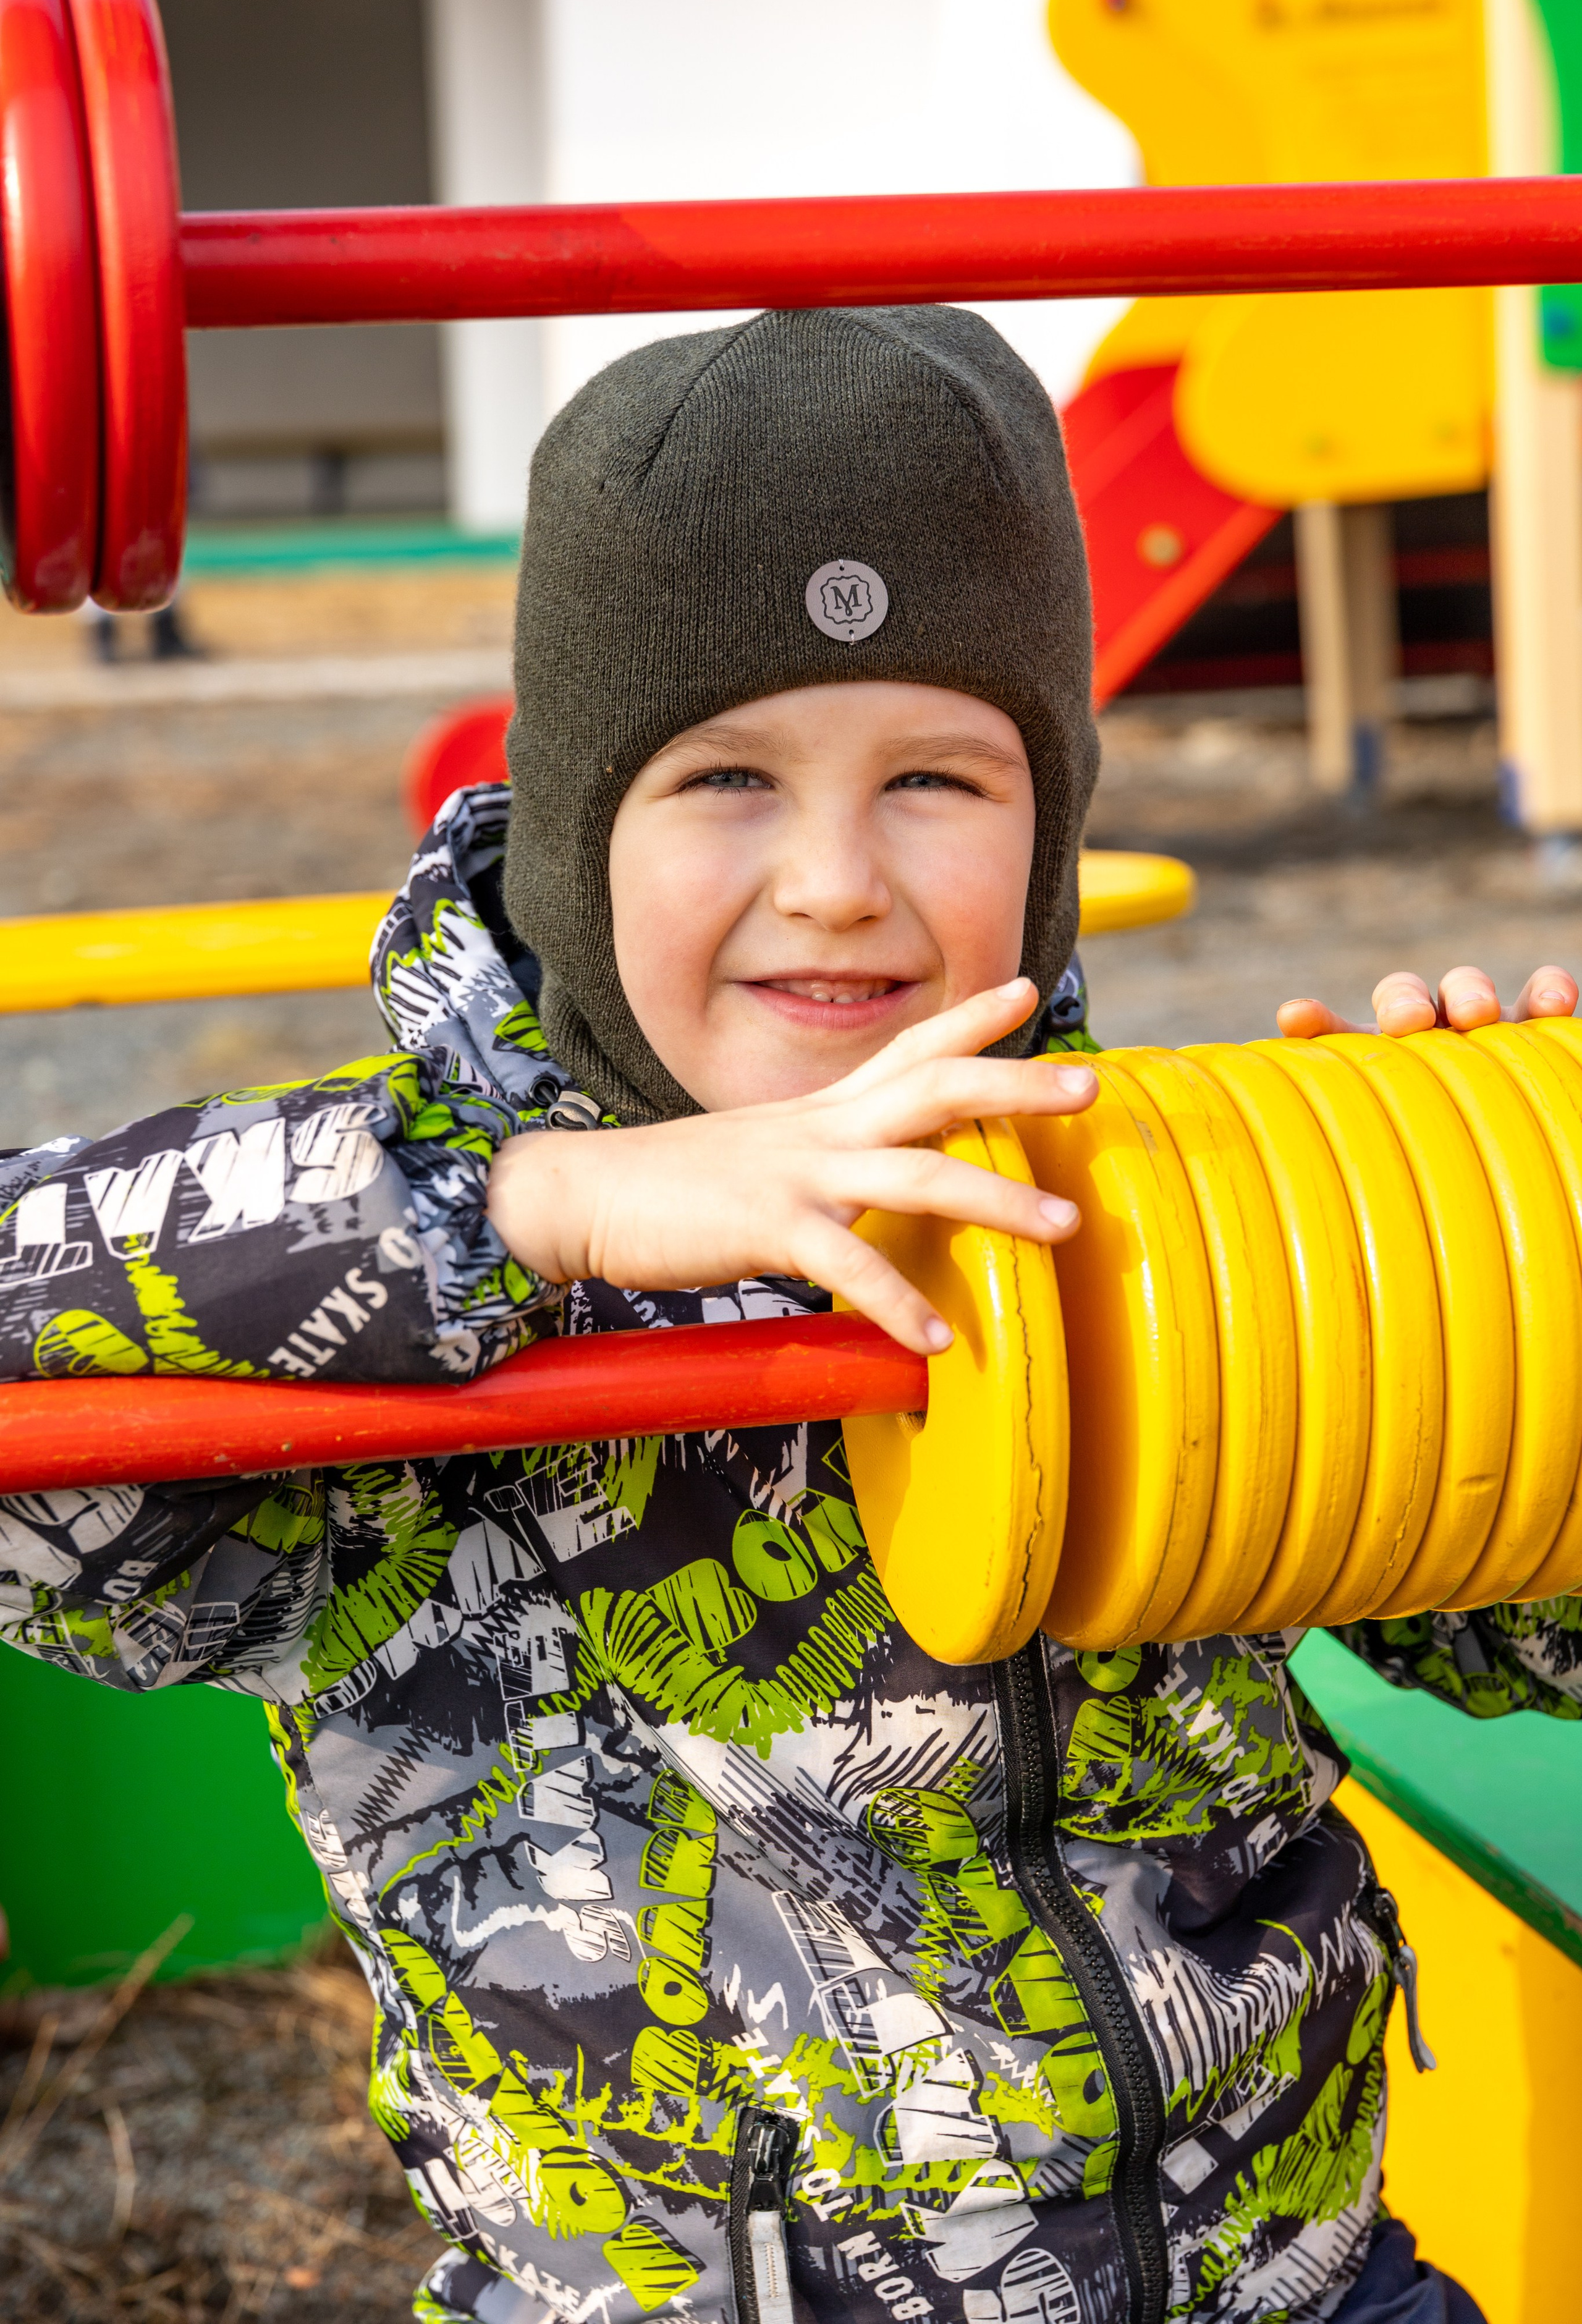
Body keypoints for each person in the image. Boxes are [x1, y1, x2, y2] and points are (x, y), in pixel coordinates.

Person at [0, 308, 1573, 2324]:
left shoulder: (1142, 1220)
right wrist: (546, 1208)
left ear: (1054, 837)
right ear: (573, 845)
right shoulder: (411, 1309)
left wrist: (1514, 1243)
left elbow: (1527, 1624)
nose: (836, 881)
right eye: (726, 777)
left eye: (939, 775)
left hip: (1303, 2289)